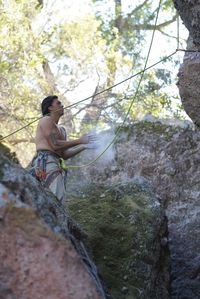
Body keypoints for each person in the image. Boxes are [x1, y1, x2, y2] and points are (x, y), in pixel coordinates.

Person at [29, 95, 94, 202]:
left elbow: (64, 155)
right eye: (58, 103)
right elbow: (54, 144)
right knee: (56, 198)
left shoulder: (62, 130)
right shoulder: (46, 120)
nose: (62, 105)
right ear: (50, 108)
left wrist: (84, 146)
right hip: (46, 163)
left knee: (57, 198)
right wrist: (79, 140)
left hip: (54, 163)